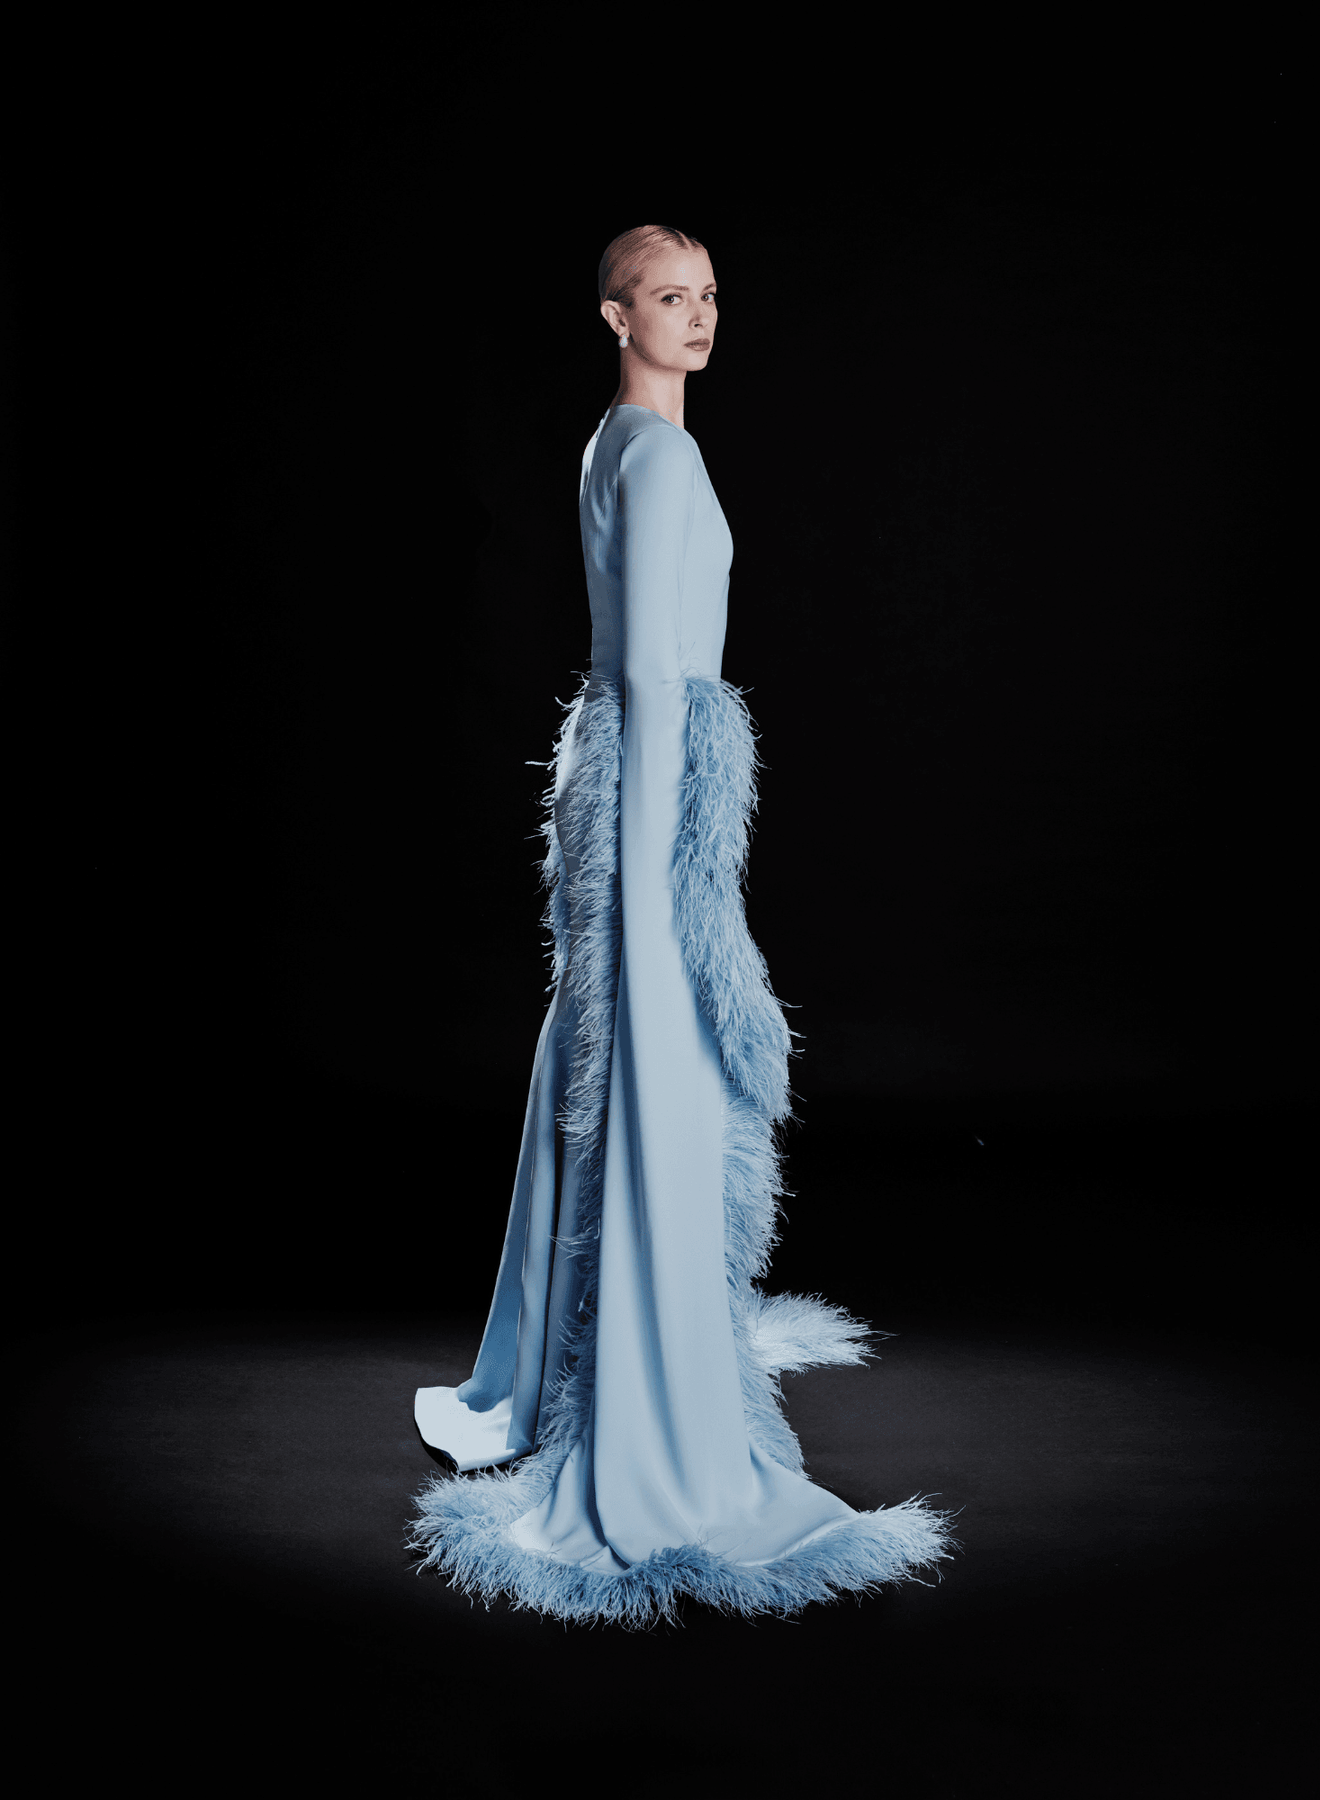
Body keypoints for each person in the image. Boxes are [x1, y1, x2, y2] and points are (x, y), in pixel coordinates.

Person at [408, 225, 953, 1625]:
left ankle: (553, 1361)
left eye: (708, 296)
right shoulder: (655, 458)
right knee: (655, 1070)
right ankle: (647, 1413)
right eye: (668, 297)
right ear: (615, 315)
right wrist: (662, 874)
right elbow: (655, 674)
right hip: (653, 794)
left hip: (634, 782)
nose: (698, 318)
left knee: (604, 1072)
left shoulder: (617, 442)